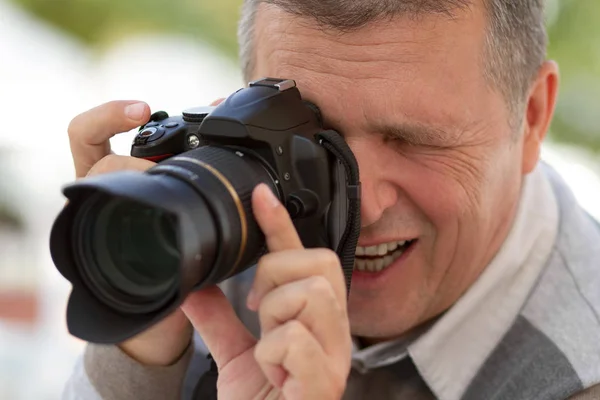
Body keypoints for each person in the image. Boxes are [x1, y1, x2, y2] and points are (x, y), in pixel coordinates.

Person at [62, 0, 600, 399]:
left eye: (414, 140)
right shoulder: (213, 225)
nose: (361, 208)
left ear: (531, 118)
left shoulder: (582, 370)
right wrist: (137, 330)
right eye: (314, 141)